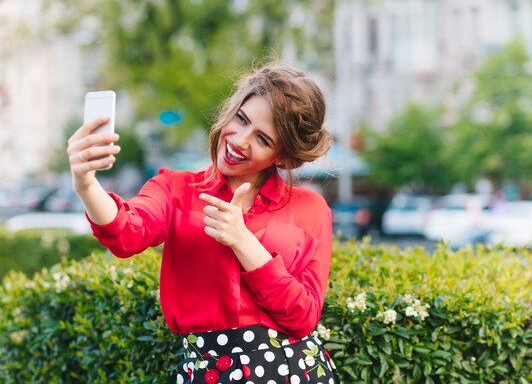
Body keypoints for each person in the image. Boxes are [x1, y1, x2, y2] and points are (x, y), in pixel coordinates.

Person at [67, 62, 341, 384]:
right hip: (207, 372)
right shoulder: (176, 189)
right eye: (241, 119)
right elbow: (126, 231)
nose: (239, 140)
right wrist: (86, 184)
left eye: (262, 139)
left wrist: (243, 241)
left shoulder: (310, 209)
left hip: (292, 371)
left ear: (282, 156)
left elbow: (304, 316)